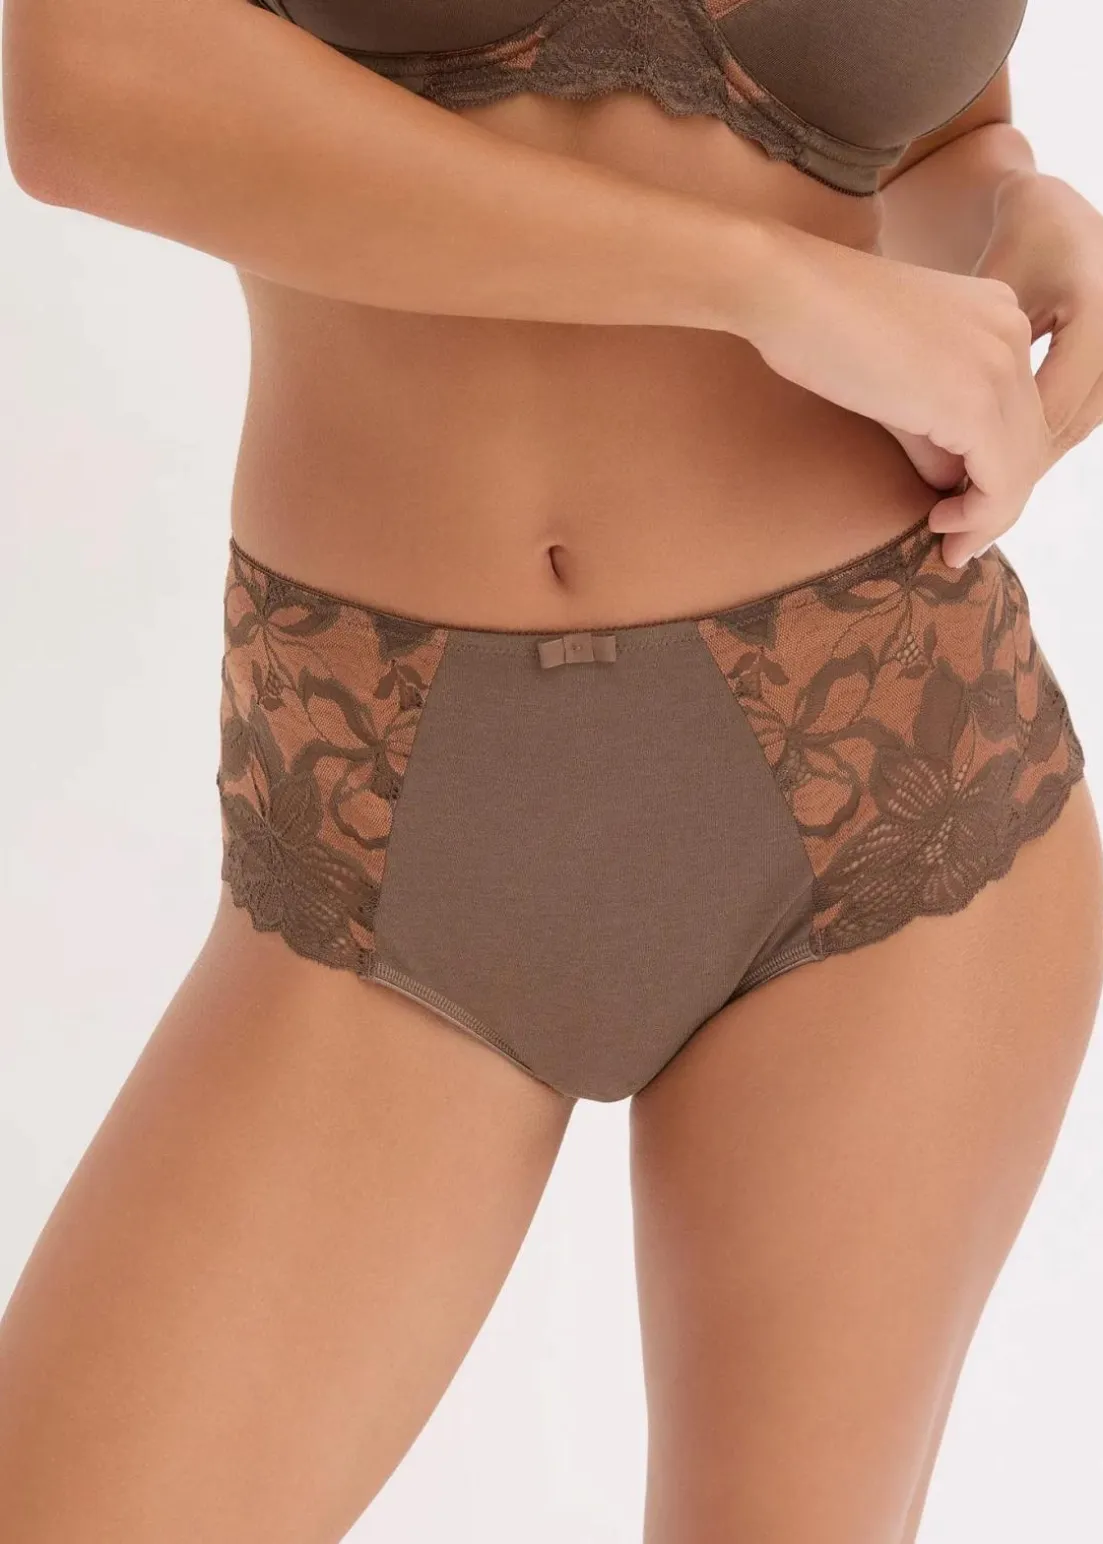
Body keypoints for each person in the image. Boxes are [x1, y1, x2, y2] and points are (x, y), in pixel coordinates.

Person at [2, 0, 1101, 1537]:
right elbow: (91, 86)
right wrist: (754, 283)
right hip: (383, 812)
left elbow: (926, 137)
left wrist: (1012, 213)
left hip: (888, 778)